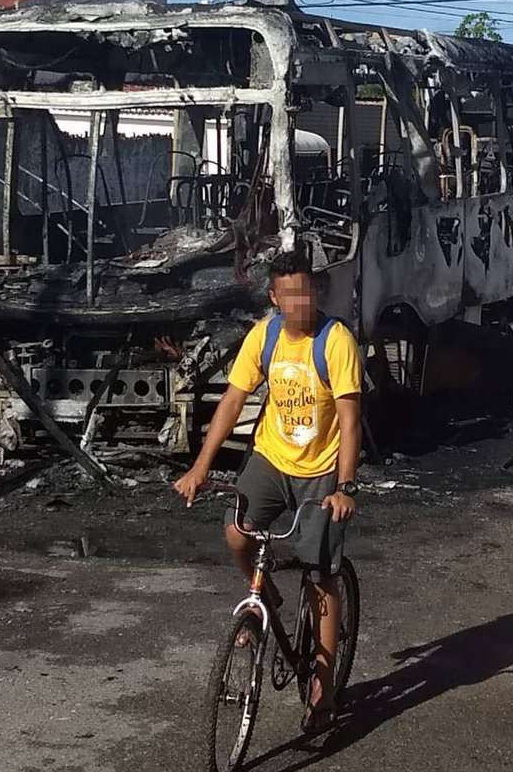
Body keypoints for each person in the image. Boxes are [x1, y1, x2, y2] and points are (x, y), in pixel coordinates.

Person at [174, 247, 362, 734]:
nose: (300, 303)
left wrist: (344, 486)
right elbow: (233, 400)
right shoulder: (266, 335)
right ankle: (267, 599)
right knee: (237, 532)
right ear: (274, 297)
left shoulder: (336, 341)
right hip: (272, 459)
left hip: (321, 470)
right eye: (290, 294)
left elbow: (349, 418)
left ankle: (322, 689)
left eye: (308, 291)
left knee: (321, 575)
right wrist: (200, 467)